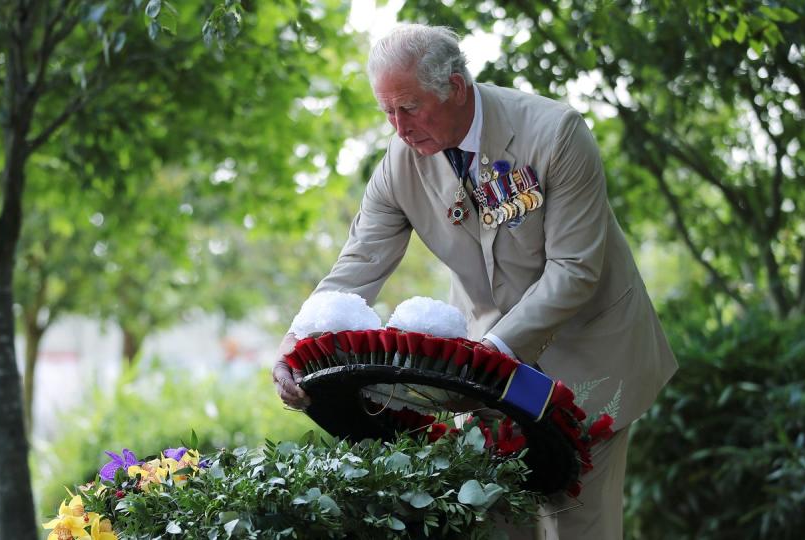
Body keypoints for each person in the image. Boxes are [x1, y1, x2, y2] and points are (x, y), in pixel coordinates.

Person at [272, 23, 677, 539]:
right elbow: (360, 261)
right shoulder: (400, 161)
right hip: (484, 369)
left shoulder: (556, 133)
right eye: (386, 111)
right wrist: (297, 338)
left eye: (410, 107)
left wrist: (486, 357)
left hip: (588, 355)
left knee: (577, 523)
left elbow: (575, 270)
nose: (398, 127)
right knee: (501, 519)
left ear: (456, 87)